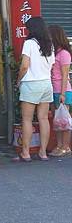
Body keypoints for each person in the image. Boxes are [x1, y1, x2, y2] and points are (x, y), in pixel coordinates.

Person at [15, 17, 55, 162]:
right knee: (43, 118)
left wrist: (18, 80)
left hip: (31, 84)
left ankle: (26, 153)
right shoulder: (49, 45)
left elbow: (25, 66)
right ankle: (43, 152)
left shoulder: (29, 44)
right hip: (46, 84)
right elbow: (52, 66)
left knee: (27, 119)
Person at [48, 25, 72, 157]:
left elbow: (64, 75)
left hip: (63, 90)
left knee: (65, 120)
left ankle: (66, 146)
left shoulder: (64, 54)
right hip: (54, 89)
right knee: (57, 121)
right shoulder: (55, 53)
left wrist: (62, 93)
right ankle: (59, 145)